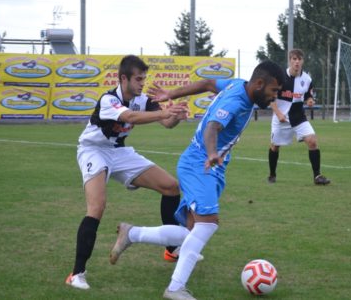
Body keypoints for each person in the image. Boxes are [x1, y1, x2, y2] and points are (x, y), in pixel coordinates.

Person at [109, 60, 285, 300]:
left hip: (209, 166)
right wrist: (212, 153)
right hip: (200, 164)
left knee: (192, 232)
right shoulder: (235, 100)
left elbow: (207, 83)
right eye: (273, 91)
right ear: (259, 83)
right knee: (207, 224)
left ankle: (132, 233)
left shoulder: (237, 84)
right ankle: (175, 288)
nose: (274, 97)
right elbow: (211, 128)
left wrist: (170, 93)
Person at [65, 55, 190, 290]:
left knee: (171, 186)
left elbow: (166, 124)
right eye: (138, 79)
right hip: (93, 151)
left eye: (144, 78)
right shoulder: (108, 100)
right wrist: (164, 113)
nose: (143, 83)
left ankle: (172, 249)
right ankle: (76, 274)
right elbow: (129, 117)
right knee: (97, 207)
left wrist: (176, 116)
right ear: (123, 78)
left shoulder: (143, 99)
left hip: (119, 152)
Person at [267, 48, 330, 185]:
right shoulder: (279, 77)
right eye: (294, 59)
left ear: (302, 61)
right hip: (281, 117)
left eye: (299, 59)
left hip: (298, 116)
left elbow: (308, 95)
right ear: (290, 60)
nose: (297, 62)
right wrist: (278, 114)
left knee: (312, 141)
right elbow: (271, 98)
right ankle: (272, 174)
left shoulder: (307, 79)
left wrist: (309, 100)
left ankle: (317, 176)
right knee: (275, 146)